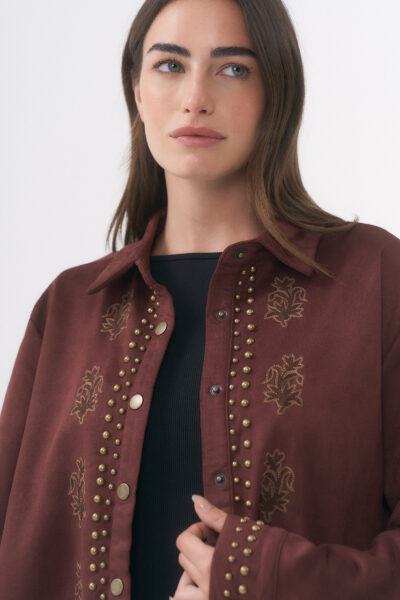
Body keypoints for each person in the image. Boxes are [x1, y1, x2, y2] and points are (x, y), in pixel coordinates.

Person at [0, 0, 399, 598]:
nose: (195, 98)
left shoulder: (373, 281)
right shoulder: (68, 309)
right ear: (137, 92)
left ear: (277, 93)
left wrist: (264, 578)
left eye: (233, 68)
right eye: (170, 65)